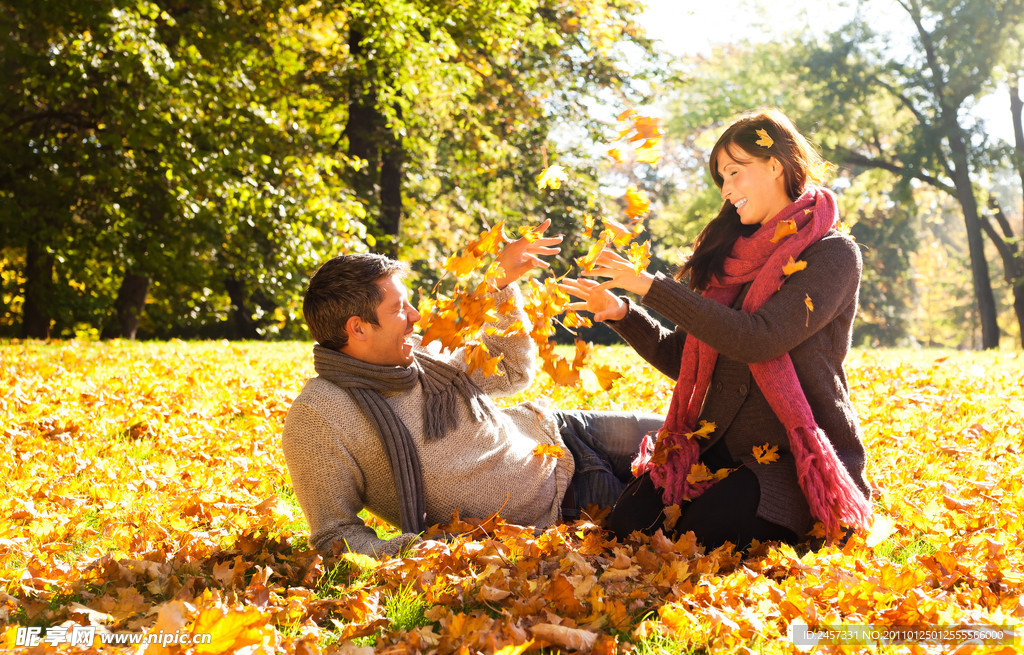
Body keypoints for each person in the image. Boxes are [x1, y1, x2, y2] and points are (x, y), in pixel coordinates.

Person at [562, 108, 872, 549]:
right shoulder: (730, 260)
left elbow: (759, 338)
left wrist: (653, 287)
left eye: (734, 173)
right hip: (715, 451)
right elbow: (682, 356)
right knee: (625, 530)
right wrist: (623, 313)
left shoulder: (833, 254)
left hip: (789, 460)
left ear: (775, 164)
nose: (726, 190)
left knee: (699, 535)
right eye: (721, 179)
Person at [282, 220, 663, 557]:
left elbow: (512, 369)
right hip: (563, 502)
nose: (415, 317)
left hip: (564, 433)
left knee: (698, 436)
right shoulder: (320, 416)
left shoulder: (422, 356)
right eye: (400, 309)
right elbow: (334, 533)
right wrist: (410, 550)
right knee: (700, 510)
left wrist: (500, 286)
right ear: (358, 328)